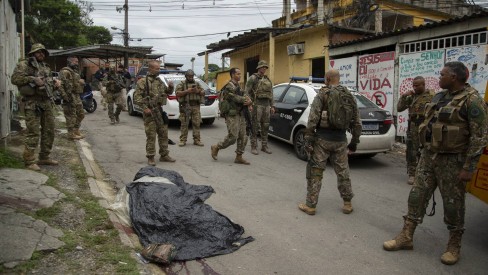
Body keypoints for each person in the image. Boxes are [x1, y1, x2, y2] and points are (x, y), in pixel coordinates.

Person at [383, 61, 488, 265]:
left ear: (454, 78)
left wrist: (469, 167)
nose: (439, 78)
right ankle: (406, 236)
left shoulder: (472, 100)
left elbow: (480, 136)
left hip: (453, 161)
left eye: (443, 75)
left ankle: (454, 245)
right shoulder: (440, 97)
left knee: (452, 204)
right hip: (429, 156)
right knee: (416, 196)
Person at [298, 69, 362, 216]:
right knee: (343, 172)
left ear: (327, 79)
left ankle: (311, 205)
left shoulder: (323, 94)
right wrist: (354, 143)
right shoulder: (349, 95)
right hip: (340, 140)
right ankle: (347, 203)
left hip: (322, 140)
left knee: (316, 171)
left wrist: (309, 139)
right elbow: (357, 122)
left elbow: (313, 118)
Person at [11, 43, 62, 171]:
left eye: (43, 52)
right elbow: (15, 79)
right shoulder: (24, 65)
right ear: (32, 53)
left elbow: (47, 80)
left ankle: (44, 156)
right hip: (32, 103)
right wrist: (32, 79)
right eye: (39, 52)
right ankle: (29, 161)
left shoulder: (45, 66)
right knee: (33, 132)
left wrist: (55, 83)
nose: (41, 54)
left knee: (49, 130)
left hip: (46, 102)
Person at [134, 60, 176, 165]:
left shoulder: (159, 81)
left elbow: (167, 92)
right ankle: (151, 156)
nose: (159, 70)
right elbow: (137, 98)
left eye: (159, 68)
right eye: (157, 68)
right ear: (150, 69)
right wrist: (144, 108)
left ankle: (164, 155)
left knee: (163, 133)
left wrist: (171, 87)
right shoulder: (143, 81)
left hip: (159, 110)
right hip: (149, 111)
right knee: (151, 135)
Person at [397, 76, 435, 185]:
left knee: (426, 149)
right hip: (413, 126)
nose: (414, 87)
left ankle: (425, 173)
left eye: (417, 85)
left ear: (423, 85)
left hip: (426, 126)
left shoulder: (432, 96)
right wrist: (404, 96)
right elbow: (399, 108)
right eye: (413, 85)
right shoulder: (411, 97)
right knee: (411, 150)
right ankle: (412, 174)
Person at [210, 68, 253, 164]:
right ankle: (216, 147)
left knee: (243, 136)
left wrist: (249, 101)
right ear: (232, 75)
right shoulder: (228, 86)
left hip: (241, 113)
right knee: (233, 137)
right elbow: (233, 97)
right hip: (231, 114)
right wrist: (245, 100)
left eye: (240, 74)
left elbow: (245, 95)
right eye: (238, 74)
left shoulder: (239, 86)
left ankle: (239, 156)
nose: (240, 75)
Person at [245, 60, 275, 155]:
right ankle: (253, 146)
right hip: (256, 104)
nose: (264, 69)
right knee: (255, 126)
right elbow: (246, 92)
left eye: (265, 67)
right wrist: (249, 104)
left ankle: (264, 146)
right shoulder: (253, 78)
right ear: (259, 68)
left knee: (265, 126)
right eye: (263, 67)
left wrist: (272, 106)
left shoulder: (267, 79)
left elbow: (271, 93)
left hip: (266, 105)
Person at [176, 69, 205, 147]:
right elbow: (178, 94)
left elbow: (203, 92)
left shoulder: (197, 84)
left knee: (197, 123)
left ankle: (197, 140)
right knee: (184, 124)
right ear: (186, 76)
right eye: (189, 76)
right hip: (185, 105)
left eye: (192, 76)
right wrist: (187, 91)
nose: (191, 78)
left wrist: (197, 91)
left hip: (195, 106)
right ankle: (182, 140)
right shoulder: (181, 84)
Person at [59, 56, 85, 140]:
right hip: (70, 96)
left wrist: (80, 82)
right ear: (70, 62)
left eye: (77, 62)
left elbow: (74, 83)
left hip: (76, 96)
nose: (77, 63)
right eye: (75, 62)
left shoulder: (74, 72)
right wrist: (65, 96)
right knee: (71, 116)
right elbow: (60, 85)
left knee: (81, 114)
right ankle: (70, 134)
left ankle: (75, 130)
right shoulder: (65, 71)